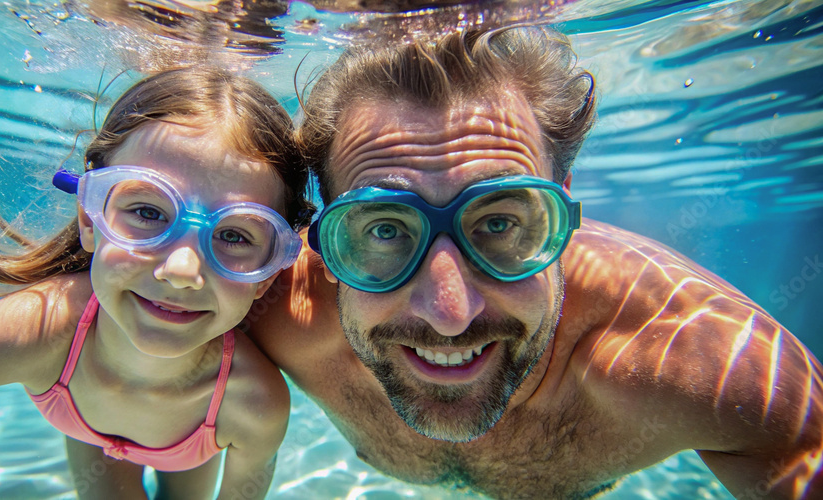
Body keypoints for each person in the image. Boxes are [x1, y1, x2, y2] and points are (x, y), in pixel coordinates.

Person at [236, 27, 820, 499]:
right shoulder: (265, 307)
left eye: (498, 223)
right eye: (385, 228)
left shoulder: (703, 369)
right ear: (325, 238)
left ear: (565, 212)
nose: (449, 315)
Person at [0, 64, 315, 500]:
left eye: (234, 235)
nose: (182, 271)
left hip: (196, 442)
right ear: (89, 214)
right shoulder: (35, 329)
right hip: (84, 427)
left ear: (270, 266)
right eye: (146, 211)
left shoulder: (252, 404)